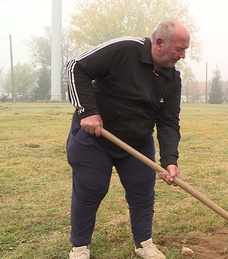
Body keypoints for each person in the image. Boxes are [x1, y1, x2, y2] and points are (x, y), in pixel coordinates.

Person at [65, 20, 190, 259]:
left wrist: (169, 161)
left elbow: (168, 121)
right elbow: (75, 67)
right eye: (180, 49)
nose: (183, 55)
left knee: (142, 190)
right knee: (92, 188)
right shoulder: (124, 49)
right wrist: (87, 111)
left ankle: (144, 243)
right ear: (160, 43)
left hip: (137, 143)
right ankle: (79, 247)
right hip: (95, 139)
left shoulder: (172, 79)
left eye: (185, 50)